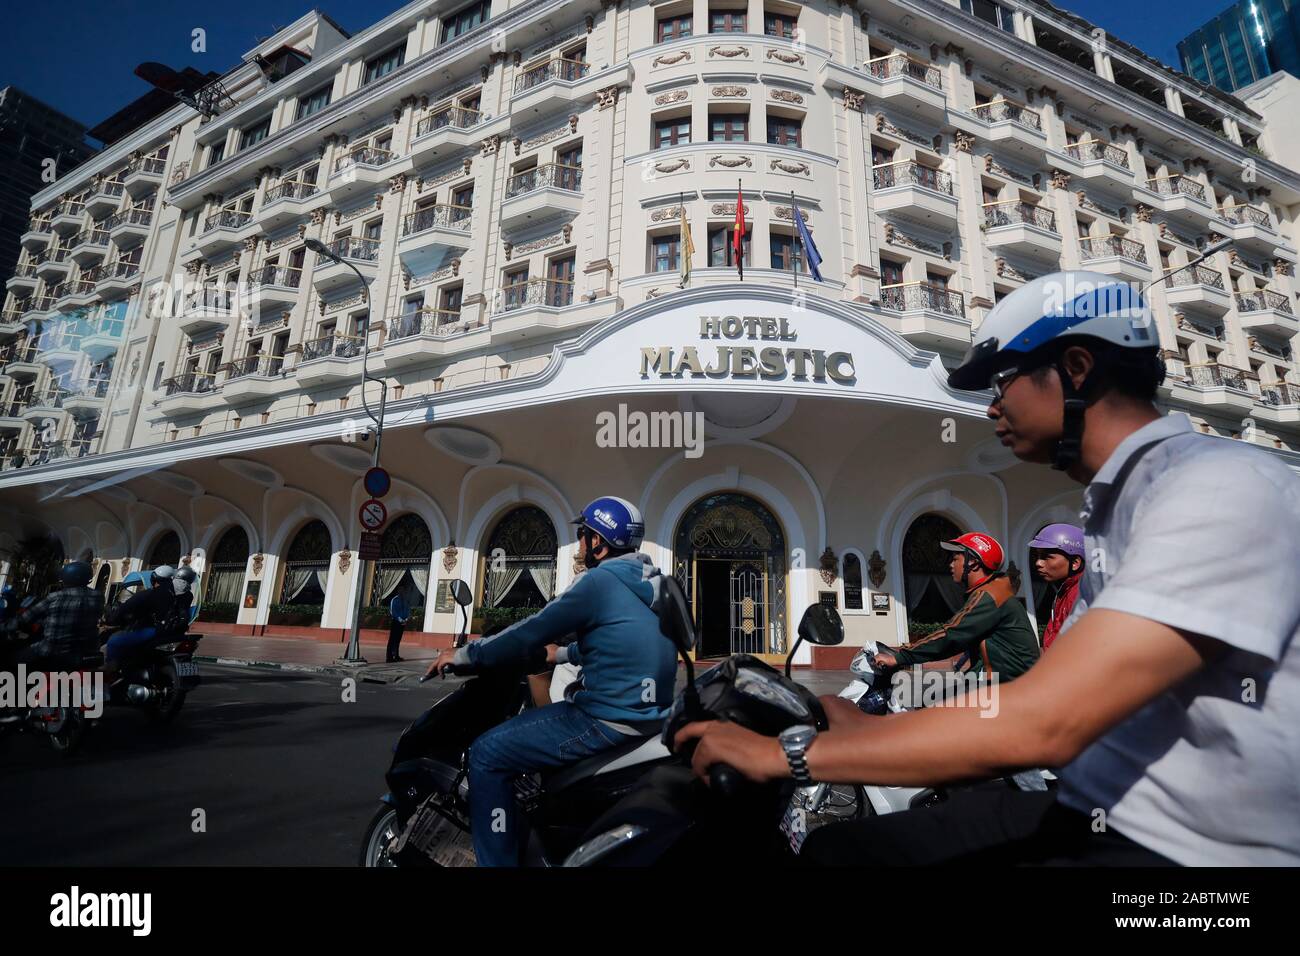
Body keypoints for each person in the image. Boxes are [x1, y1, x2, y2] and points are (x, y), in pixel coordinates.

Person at [675, 270, 1300, 865]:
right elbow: (1028, 700)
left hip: (1187, 849)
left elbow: (1046, 721)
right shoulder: (1122, 503)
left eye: (1003, 380)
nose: (992, 405)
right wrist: (858, 728)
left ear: (1075, 368)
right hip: (1098, 804)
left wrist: (791, 755)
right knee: (837, 850)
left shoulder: (1217, 487)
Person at [426, 496, 679, 866]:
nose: (579, 544)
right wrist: (561, 655)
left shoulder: (599, 582)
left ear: (599, 542)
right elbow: (621, 645)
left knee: (486, 754)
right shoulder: (655, 582)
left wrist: (465, 655)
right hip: (651, 718)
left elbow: (529, 631)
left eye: (583, 534)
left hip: (604, 720)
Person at [872, 532, 1039, 682]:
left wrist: (899, 657)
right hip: (1002, 681)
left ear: (973, 563)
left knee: (931, 706)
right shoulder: (992, 591)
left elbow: (951, 635)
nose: (950, 565)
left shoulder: (989, 596)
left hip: (1006, 687)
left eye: (955, 559)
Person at [6, 562, 103, 670]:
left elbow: (25, 618)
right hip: (85, 652)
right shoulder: (98, 597)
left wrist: (6, 626)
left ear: (66, 578)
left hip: (52, 650)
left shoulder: (55, 597)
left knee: (13, 660)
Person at [103, 565, 178, 678]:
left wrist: (111, 619)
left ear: (154, 579)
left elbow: (125, 608)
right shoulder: (175, 595)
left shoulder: (148, 594)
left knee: (114, 641)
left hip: (153, 630)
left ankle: (111, 673)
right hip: (169, 630)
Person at [1029, 523, 1084, 650]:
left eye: (1047, 557)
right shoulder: (1066, 589)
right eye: (1036, 556)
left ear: (1075, 563)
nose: (1038, 563)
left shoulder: (1082, 595)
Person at [386, 591, 410, 663]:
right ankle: (389, 657)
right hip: (396, 622)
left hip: (403, 623)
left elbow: (408, 610)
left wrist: (406, 618)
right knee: (392, 640)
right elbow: (393, 611)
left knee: (398, 640)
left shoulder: (405, 600)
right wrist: (399, 619)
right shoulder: (395, 599)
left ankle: (396, 655)